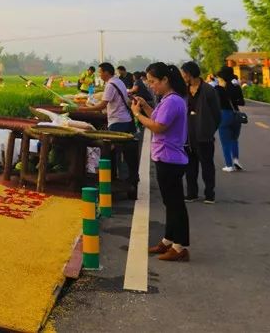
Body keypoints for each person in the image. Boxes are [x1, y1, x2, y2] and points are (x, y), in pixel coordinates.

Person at [130, 62, 190, 262]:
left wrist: (137, 114)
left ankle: (180, 247)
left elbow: (158, 127)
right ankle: (168, 240)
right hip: (166, 156)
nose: (151, 86)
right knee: (170, 203)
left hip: (170, 158)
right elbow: (156, 117)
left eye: (154, 82)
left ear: (166, 80)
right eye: (149, 82)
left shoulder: (173, 101)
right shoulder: (168, 99)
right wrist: (145, 106)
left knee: (175, 205)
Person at [80, 62, 139, 199]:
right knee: (126, 154)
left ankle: (110, 183)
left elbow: (102, 105)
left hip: (117, 122)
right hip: (126, 120)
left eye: (100, 72)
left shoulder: (110, 85)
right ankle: (131, 182)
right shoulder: (119, 82)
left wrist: (84, 109)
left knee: (109, 152)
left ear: (106, 72)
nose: (99, 75)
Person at [180, 61, 221, 204]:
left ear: (189, 74)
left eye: (183, 73)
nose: (182, 76)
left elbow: (217, 115)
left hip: (204, 137)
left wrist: (208, 129)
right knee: (190, 167)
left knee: (207, 166)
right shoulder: (183, 91)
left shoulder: (209, 90)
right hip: (188, 136)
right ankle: (192, 193)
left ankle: (210, 194)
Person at [216, 65, 245, 172]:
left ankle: (229, 165)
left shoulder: (219, 89)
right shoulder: (236, 85)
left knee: (225, 142)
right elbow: (242, 102)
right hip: (236, 114)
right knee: (234, 140)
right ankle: (236, 160)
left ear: (223, 77)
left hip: (224, 115)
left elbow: (217, 103)